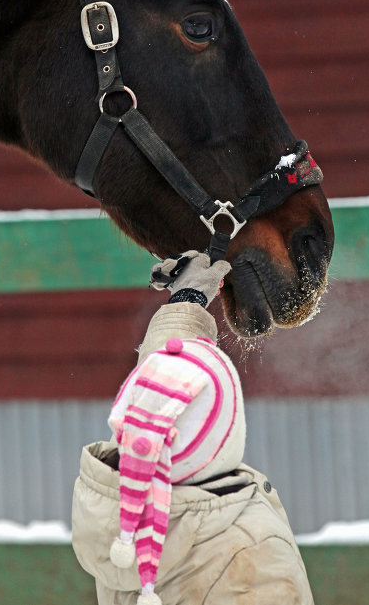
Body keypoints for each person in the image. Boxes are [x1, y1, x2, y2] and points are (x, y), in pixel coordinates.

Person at [71, 251, 315, 605]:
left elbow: (153, 411)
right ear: (227, 434)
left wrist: (186, 303)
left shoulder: (123, 515)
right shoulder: (251, 554)